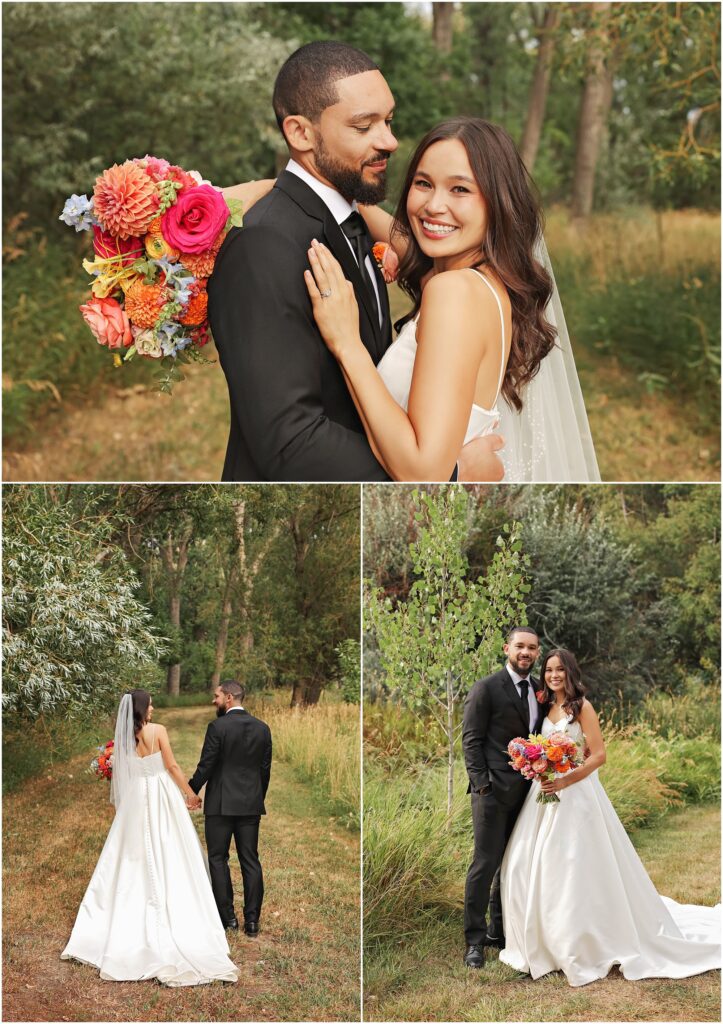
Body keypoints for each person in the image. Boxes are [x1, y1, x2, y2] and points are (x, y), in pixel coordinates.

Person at [209, 41, 504, 483]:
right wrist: (450, 476)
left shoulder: (351, 217)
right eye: (364, 126)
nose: (389, 141)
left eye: (388, 121)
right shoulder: (264, 244)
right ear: (301, 134)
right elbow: (289, 443)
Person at [305, 115, 600, 482]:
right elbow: (405, 235)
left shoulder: (452, 292)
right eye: (423, 183)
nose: (433, 206)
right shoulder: (485, 282)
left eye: (460, 189)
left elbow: (422, 471)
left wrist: (347, 344)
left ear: (497, 201)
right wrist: (320, 192)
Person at [499, 648, 721, 987]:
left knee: (574, 866)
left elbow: (599, 754)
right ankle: (542, 938)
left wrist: (564, 779)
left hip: (576, 794)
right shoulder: (544, 705)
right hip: (544, 792)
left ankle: (581, 940)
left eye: (560, 670)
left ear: (570, 672)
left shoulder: (582, 707)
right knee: (529, 862)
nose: (554, 675)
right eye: (549, 670)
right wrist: (538, 766)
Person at [61, 690, 238, 986]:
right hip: (160, 792)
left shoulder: (124, 738)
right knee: (170, 847)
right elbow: (171, 766)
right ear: (143, 708)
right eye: (151, 704)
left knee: (131, 853)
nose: (154, 707)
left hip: (136, 797)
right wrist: (191, 793)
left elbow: (124, 771)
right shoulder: (158, 731)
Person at [461, 626, 546, 969]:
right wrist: (483, 786)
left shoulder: (540, 691)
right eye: (520, 646)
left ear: (538, 653)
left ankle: (500, 931)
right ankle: (474, 941)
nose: (525, 652)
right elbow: (470, 741)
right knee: (485, 865)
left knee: (513, 864)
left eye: (532, 648)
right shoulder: (486, 688)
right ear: (506, 648)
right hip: (492, 792)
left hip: (527, 794)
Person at [188, 680, 272, 937]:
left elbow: (207, 765)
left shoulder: (217, 727)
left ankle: (228, 919)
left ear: (229, 697)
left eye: (217, 696)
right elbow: (264, 770)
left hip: (221, 804)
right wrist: (256, 797)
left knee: (218, 858)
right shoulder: (262, 728)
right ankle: (253, 922)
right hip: (250, 804)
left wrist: (191, 791)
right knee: (250, 860)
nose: (214, 700)